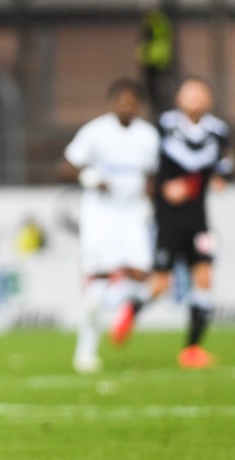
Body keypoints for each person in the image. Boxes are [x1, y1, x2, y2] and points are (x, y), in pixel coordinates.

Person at [110, 76, 233, 368]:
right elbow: (149, 163)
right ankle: (132, 308)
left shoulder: (217, 131)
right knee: (160, 284)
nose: (195, 98)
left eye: (200, 93)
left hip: (199, 220)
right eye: (189, 93)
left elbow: (225, 163)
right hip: (168, 220)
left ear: (209, 100)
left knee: (204, 279)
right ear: (179, 98)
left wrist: (221, 178)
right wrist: (161, 187)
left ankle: (191, 349)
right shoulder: (163, 126)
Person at [63, 78, 160, 373]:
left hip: (132, 215)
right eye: (122, 101)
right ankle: (86, 350)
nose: (127, 106)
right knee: (98, 283)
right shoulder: (95, 132)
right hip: (100, 216)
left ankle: (124, 312)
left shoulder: (148, 136)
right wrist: (90, 178)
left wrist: (150, 205)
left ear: (139, 106)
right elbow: (67, 165)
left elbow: (151, 176)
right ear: (112, 103)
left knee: (145, 277)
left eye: (132, 102)